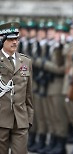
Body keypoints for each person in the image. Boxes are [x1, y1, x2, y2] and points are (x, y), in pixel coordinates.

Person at [0, 21, 33, 154]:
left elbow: (29, 94)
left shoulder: (25, 61)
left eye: (16, 39)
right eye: (11, 39)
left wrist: (29, 118)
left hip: (20, 120)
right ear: (2, 40)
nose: (15, 42)